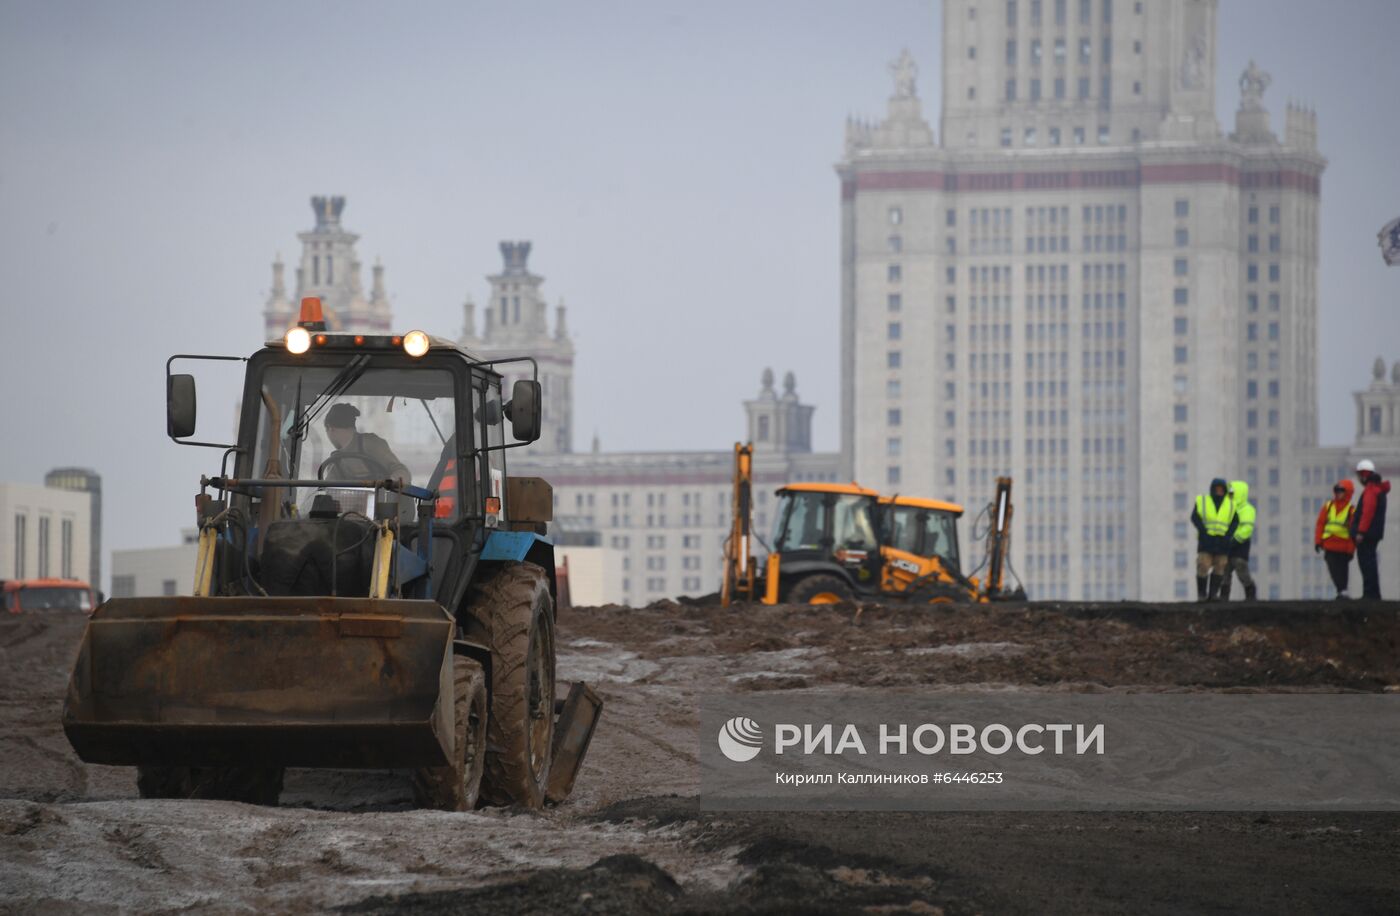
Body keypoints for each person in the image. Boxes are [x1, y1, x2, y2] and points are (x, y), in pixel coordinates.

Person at [322, 403, 411, 486]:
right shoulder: (335, 462)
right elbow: (328, 490)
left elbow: (402, 472)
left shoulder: (371, 443)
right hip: (355, 502)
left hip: (385, 501)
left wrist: (389, 484)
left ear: (330, 428)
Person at [1190, 477, 1238, 602]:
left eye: (1221, 490)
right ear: (1212, 489)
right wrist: (1203, 531)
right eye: (1216, 489)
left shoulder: (1231, 504)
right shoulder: (1203, 500)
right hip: (1206, 542)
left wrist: (1228, 535)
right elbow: (1194, 517)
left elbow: (1235, 522)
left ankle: (1213, 595)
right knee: (1203, 566)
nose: (1219, 492)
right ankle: (1202, 594)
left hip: (1222, 543)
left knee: (1220, 567)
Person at [1352, 459, 1390, 600]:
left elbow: (1367, 512)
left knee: (1367, 564)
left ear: (1364, 475)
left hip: (1367, 535)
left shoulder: (1371, 491)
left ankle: (1370, 594)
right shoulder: (1378, 490)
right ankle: (1373, 593)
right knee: (1371, 563)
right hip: (1374, 534)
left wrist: (1361, 532)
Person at [1314, 479, 1356, 599]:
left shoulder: (1351, 510)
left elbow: (1352, 532)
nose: (1338, 493)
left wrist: (1350, 550)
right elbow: (1320, 524)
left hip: (1343, 548)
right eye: (1337, 490)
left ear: (1347, 492)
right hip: (1329, 546)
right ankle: (1341, 591)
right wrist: (1318, 542)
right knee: (1333, 570)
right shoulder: (1328, 506)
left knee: (1342, 571)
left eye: (1341, 490)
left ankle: (1342, 592)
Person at [1219, 480, 1256, 601]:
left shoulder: (1247, 509)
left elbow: (1247, 529)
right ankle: (1224, 597)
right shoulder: (1226, 508)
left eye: (1232, 493)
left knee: (1241, 568)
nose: (1230, 495)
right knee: (1224, 570)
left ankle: (1250, 593)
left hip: (1240, 545)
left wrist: (1234, 540)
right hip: (1226, 544)